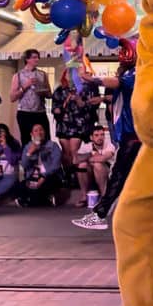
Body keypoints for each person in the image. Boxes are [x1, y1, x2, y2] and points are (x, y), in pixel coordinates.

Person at [72, 39, 139, 230]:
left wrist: (91, 78)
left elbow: (115, 82)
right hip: (132, 133)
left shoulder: (136, 73)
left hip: (135, 134)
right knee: (126, 175)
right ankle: (103, 213)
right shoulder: (132, 73)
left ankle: (100, 213)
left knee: (119, 174)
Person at [51, 70, 91, 205]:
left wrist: (78, 99)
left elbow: (87, 107)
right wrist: (58, 109)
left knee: (74, 151)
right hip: (63, 124)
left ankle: (77, 178)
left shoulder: (83, 89)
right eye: (69, 74)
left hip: (77, 124)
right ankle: (69, 176)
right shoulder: (59, 90)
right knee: (66, 153)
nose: (71, 77)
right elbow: (55, 107)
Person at [10, 49, 51, 147]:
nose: (37, 60)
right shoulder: (18, 75)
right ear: (27, 59)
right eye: (34, 57)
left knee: (45, 140)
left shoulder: (43, 74)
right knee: (27, 141)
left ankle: (45, 161)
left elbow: (49, 94)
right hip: (25, 113)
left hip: (40, 112)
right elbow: (12, 97)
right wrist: (25, 86)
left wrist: (43, 92)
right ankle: (28, 160)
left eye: (38, 57)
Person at [16, 123, 62, 207]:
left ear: (45, 132)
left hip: (49, 176)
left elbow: (56, 165)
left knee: (45, 185)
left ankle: (34, 200)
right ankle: (42, 199)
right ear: (32, 134)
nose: (39, 133)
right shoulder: (28, 146)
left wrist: (43, 177)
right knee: (22, 185)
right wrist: (30, 152)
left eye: (41, 130)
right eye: (36, 131)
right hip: (33, 176)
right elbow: (24, 165)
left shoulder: (53, 145)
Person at [76, 125, 115, 197]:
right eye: (96, 135)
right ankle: (84, 196)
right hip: (91, 174)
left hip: (107, 174)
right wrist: (90, 155)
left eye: (102, 135)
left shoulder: (110, 145)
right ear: (91, 137)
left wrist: (89, 158)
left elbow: (103, 159)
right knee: (82, 165)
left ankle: (104, 195)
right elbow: (75, 160)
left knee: (98, 165)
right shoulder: (87, 146)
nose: (100, 137)